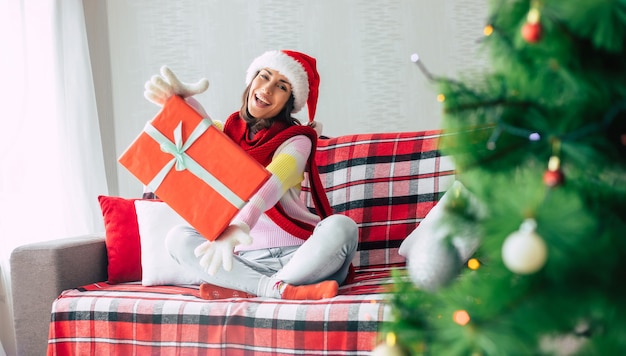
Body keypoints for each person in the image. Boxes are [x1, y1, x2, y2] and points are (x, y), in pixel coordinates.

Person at [144, 50, 358, 300]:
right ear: (251, 80)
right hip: (245, 261)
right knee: (177, 238)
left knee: (342, 227)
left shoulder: (298, 140)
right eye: (264, 76)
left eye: (281, 86)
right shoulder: (225, 133)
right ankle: (276, 289)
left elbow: (271, 182)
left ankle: (249, 288)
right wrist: (180, 99)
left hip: (302, 256)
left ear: (290, 101)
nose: (267, 89)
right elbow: (197, 129)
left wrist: (241, 224)